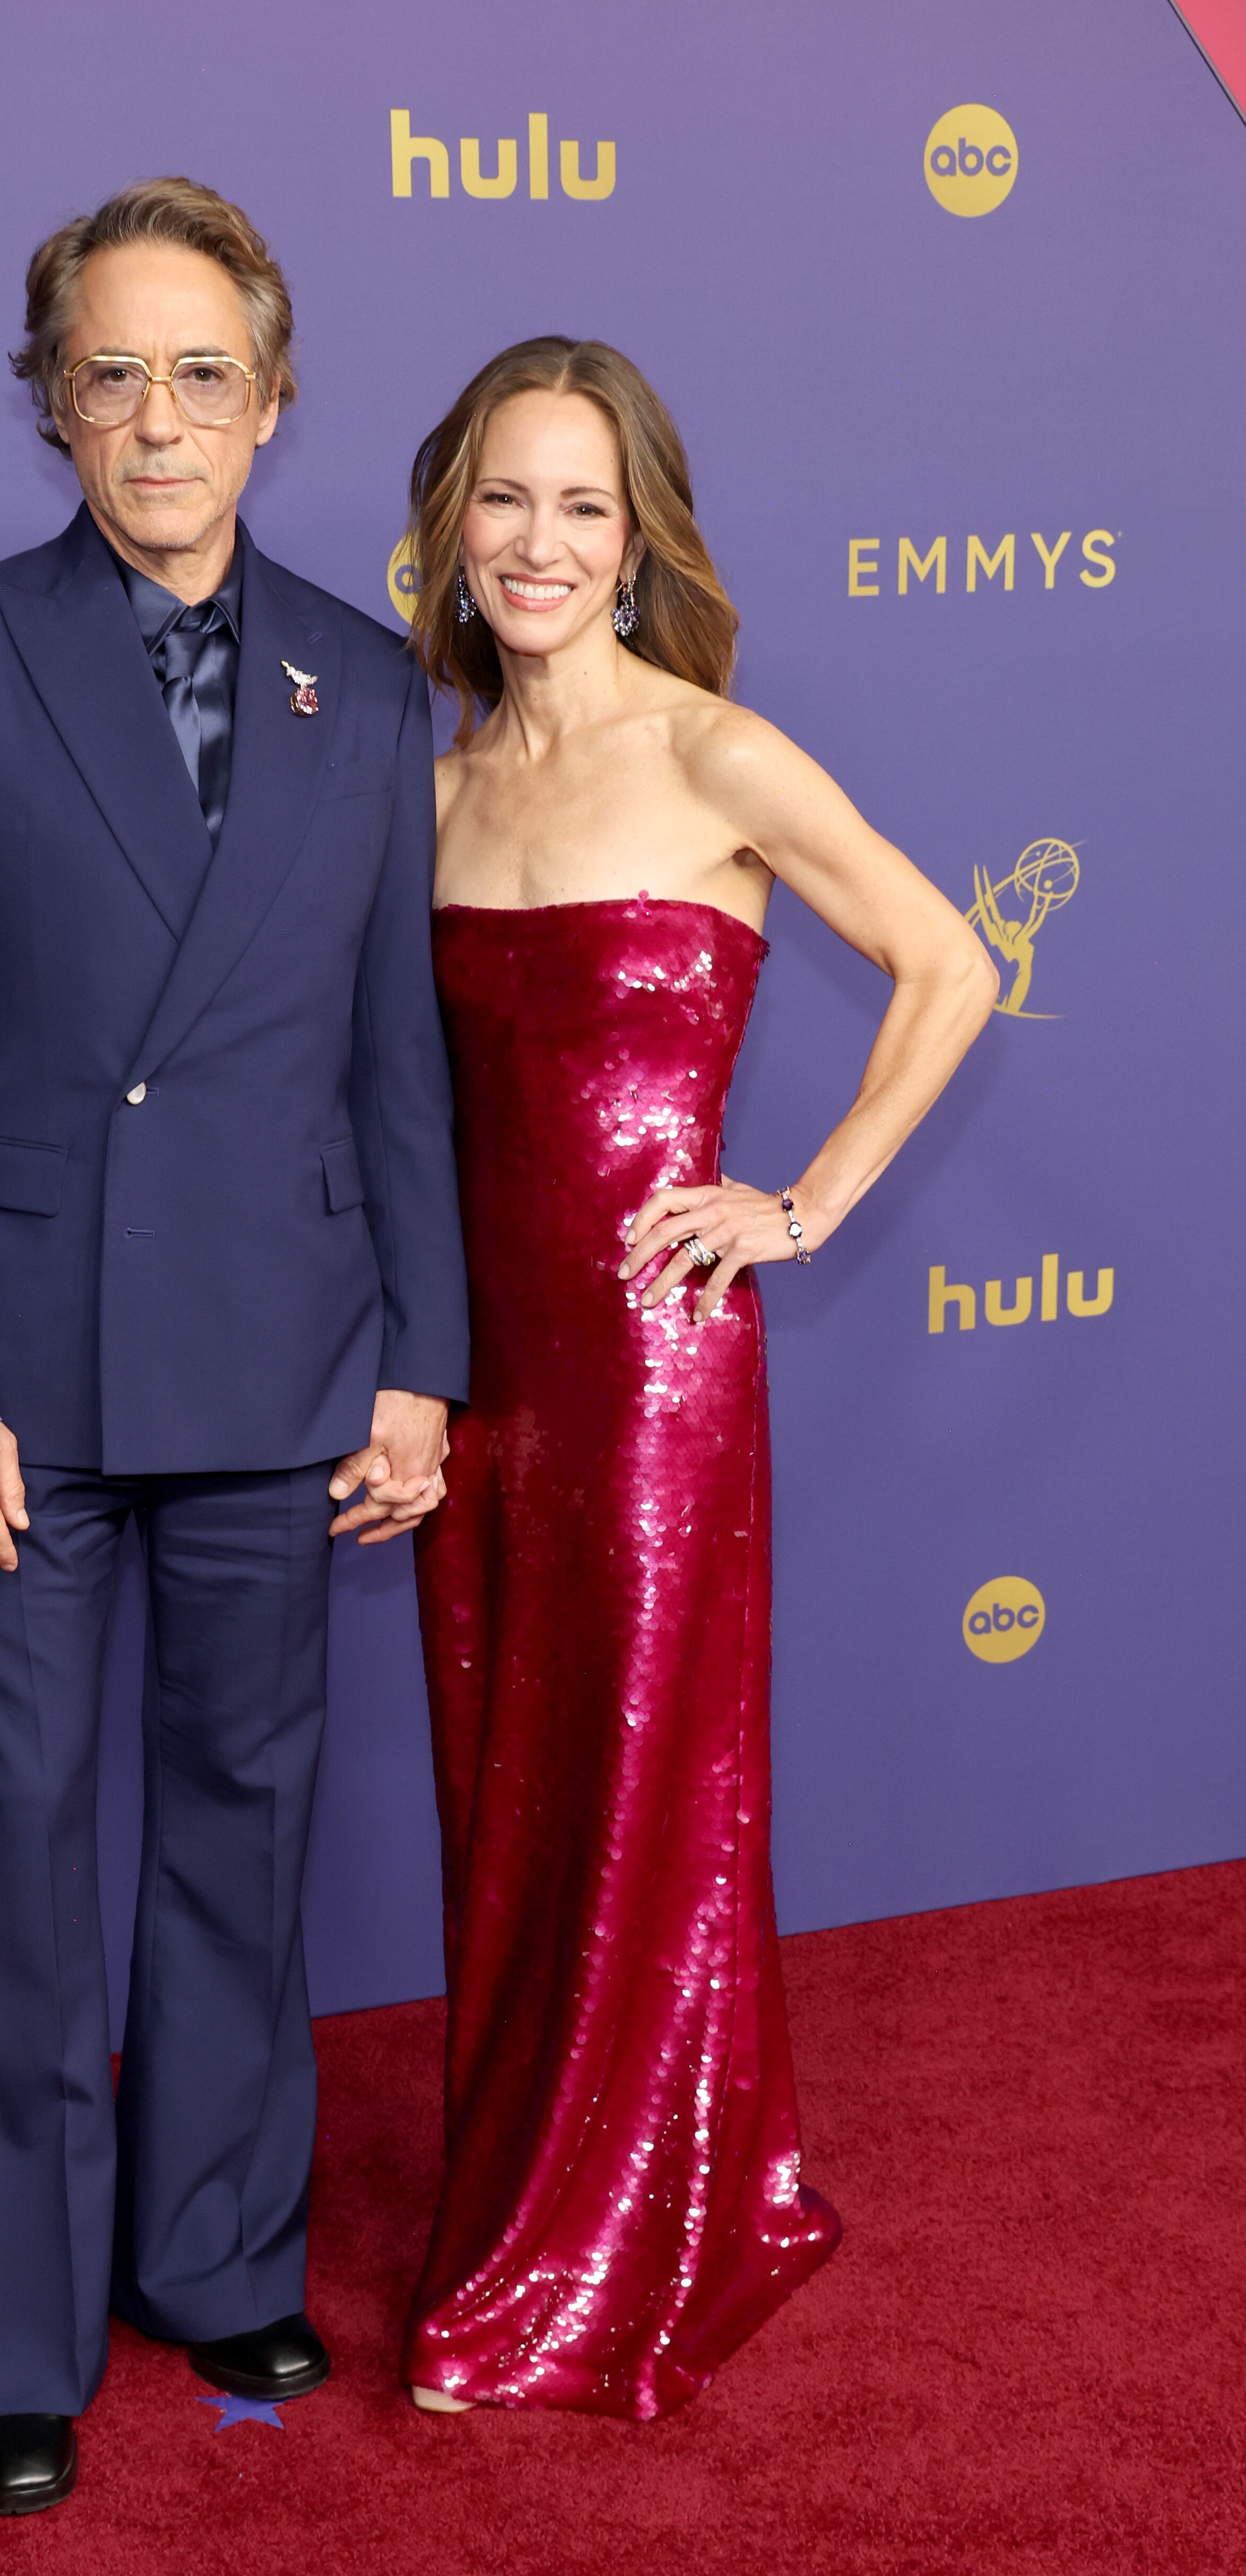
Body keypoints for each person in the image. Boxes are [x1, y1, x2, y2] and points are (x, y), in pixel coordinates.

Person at [0, 178, 469, 2512]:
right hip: (24, 1378)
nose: (159, 414)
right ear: (50, 404)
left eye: (204, 371)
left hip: (287, 1359)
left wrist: (422, 1358)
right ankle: (9, 2326)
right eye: (111, 368)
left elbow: (395, 1064)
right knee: (13, 1839)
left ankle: (209, 2251)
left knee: (243, 1827)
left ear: (275, 405)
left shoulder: (370, 681)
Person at [400, 339, 996, 2419]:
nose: (542, 543)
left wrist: (807, 1197)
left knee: (649, 1791)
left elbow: (952, 959)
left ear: (636, 533)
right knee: (512, 1793)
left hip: (654, 1376)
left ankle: (604, 2246)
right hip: (480, 1387)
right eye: (506, 498)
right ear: (451, 528)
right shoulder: (434, 790)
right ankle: (529, 2197)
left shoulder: (719, 754)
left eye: (583, 504)